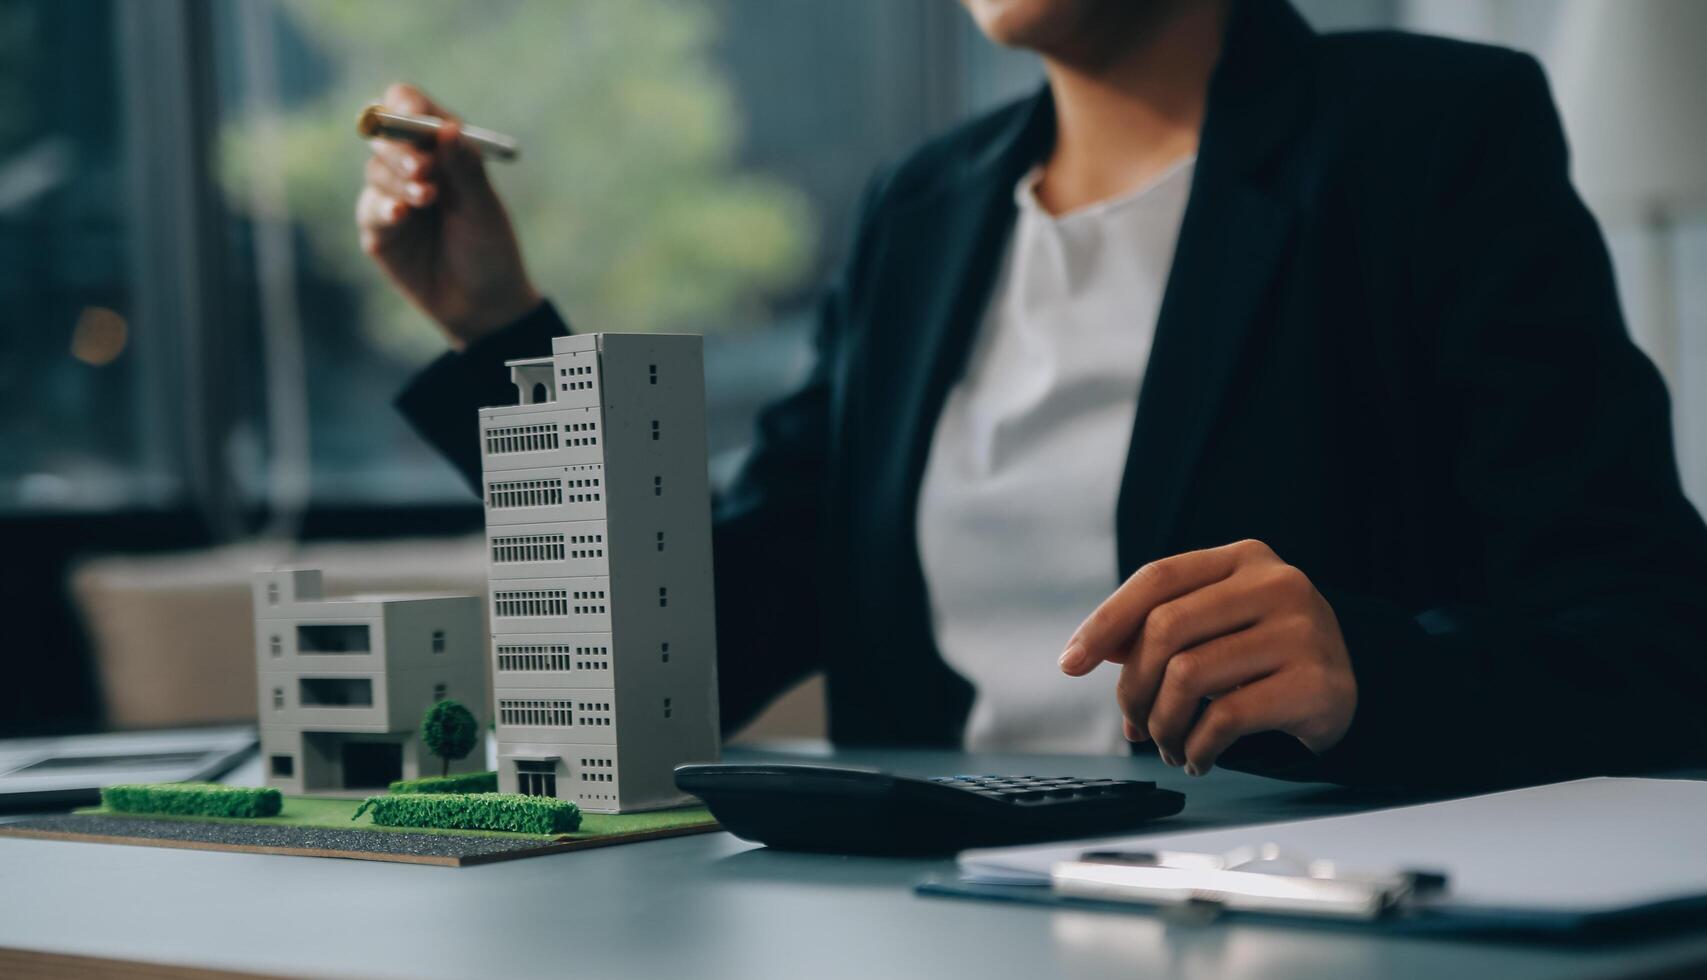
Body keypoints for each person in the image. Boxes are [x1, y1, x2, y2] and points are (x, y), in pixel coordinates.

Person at [360, 0, 1707, 791]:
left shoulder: (1425, 137)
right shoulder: (923, 210)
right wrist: (497, 329)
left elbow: (1660, 655)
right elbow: (707, 638)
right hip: (939, 919)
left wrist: (1368, 672)